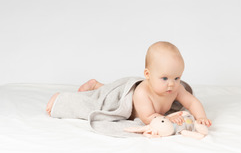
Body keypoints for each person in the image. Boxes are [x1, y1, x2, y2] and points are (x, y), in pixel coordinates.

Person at [46, 41, 212, 127]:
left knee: (102, 90)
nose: (172, 84)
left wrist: (201, 117)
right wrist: (168, 118)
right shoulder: (142, 94)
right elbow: (148, 117)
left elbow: (192, 102)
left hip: (130, 89)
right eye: (165, 78)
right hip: (121, 95)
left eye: (177, 78)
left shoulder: (176, 89)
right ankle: (61, 99)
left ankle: (97, 84)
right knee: (96, 102)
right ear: (147, 74)